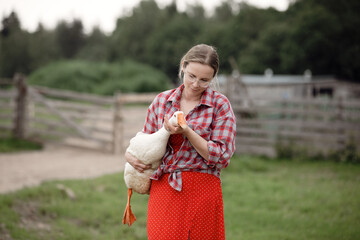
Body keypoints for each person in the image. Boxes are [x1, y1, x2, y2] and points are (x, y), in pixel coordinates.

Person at [125, 44, 236, 240]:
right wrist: (130, 156)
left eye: (204, 80)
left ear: (213, 78)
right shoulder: (161, 101)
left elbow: (221, 156)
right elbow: (144, 142)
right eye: (192, 76)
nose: (195, 84)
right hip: (165, 188)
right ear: (183, 66)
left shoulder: (220, 105)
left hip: (204, 190)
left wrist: (187, 131)